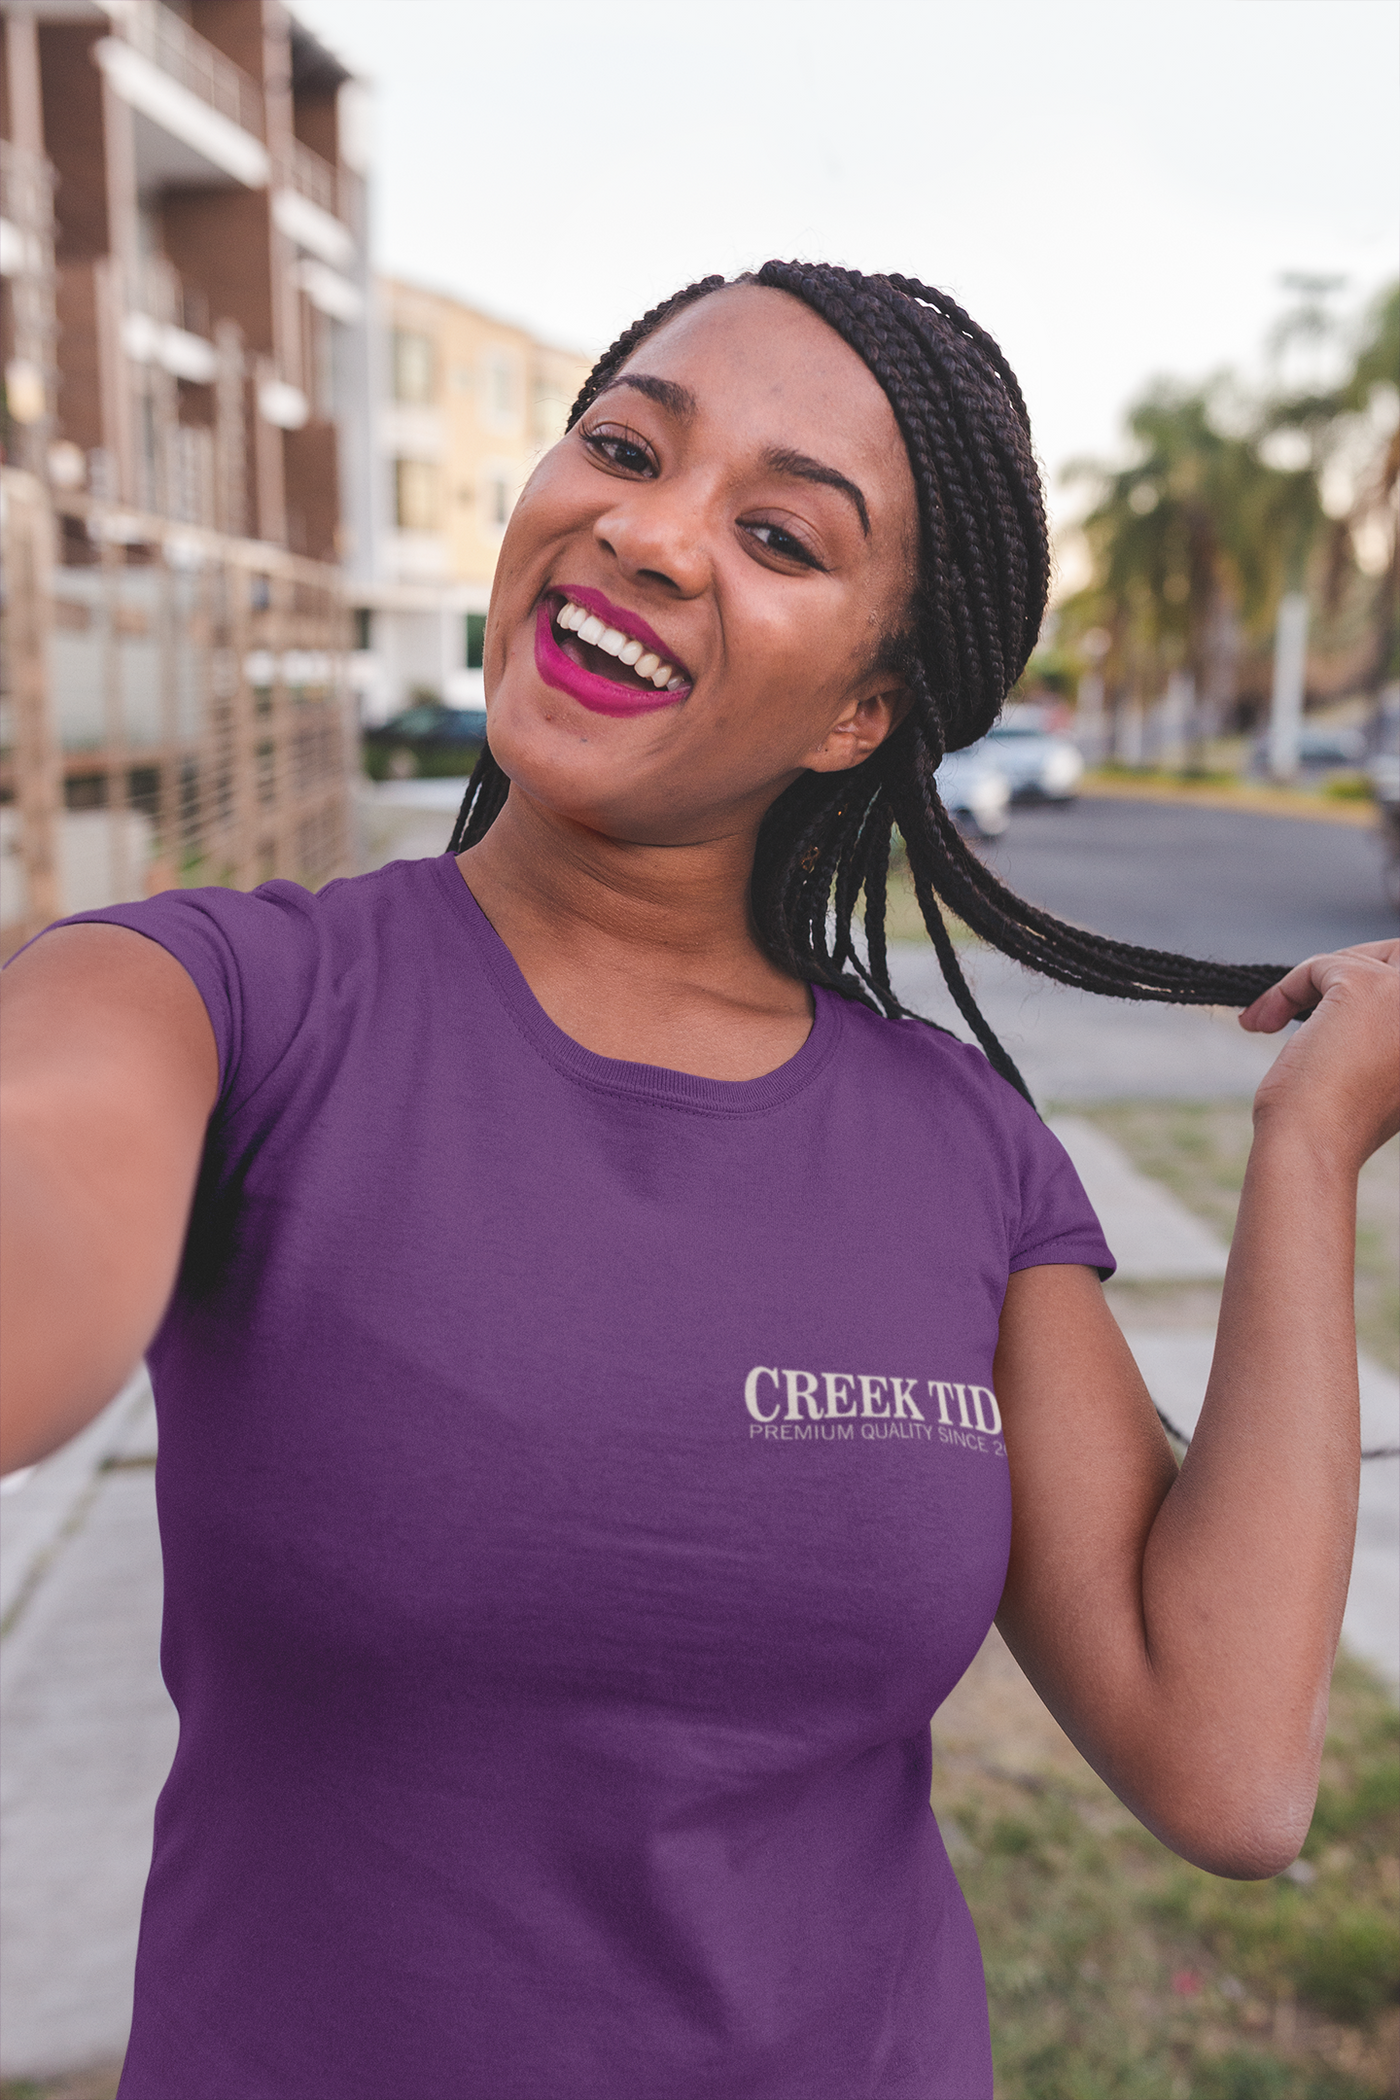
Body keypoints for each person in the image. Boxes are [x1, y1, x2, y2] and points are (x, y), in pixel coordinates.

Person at [2, 264, 1395, 2099]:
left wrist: (1310, 1150)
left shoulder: (957, 1143)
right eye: (622, 444)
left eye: (777, 534)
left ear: (856, 716)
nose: (646, 534)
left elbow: (1221, 1764)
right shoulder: (221, 1000)